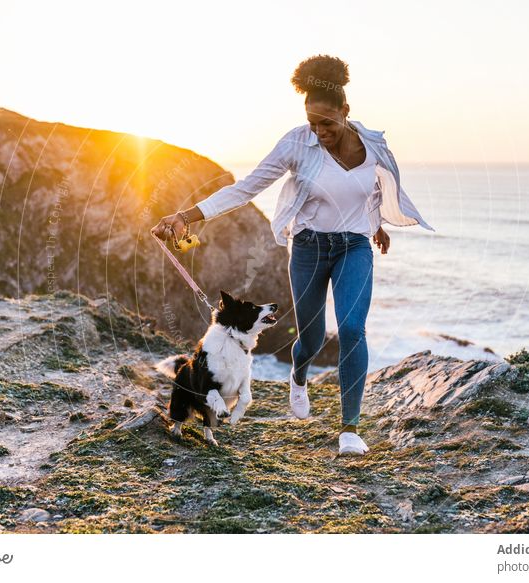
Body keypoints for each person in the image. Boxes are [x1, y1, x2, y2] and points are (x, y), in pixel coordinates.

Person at [151, 54, 434, 456]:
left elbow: (369, 189)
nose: (319, 132)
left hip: (354, 246)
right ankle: (298, 377)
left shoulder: (372, 145)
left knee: (353, 330)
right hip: (308, 247)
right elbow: (245, 188)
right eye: (313, 123)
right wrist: (186, 216)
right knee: (312, 337)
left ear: (346, 112)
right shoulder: (296, 143)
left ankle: (349, 429)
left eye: (328, 124)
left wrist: (376, 225)